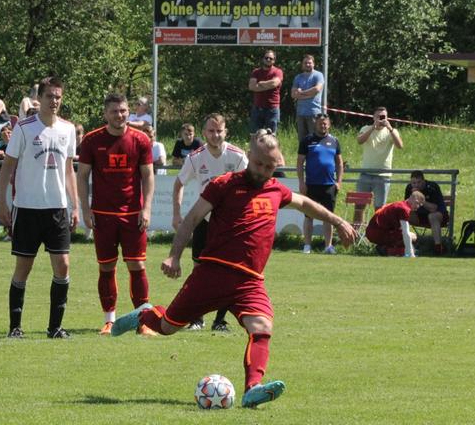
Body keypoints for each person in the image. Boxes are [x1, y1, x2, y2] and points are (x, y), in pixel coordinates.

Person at [110, 129, 356, 409]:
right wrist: (174, 256)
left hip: (250, 281)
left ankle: (253, 388)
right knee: (166, 327)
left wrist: (337, 221)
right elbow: (191, 219)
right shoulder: (224, 184)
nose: (263, 171)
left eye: (269, 166)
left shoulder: (276, 189)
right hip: (212, 274)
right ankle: (144, 314)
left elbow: (306, 204)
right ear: (249, 157)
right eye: (259, 164)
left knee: (262, 327)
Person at [0, 76, 78, 339]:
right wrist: (2, 203)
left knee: (63, 265)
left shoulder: (67, 129)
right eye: (49, 96)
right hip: (27, 208)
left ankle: (55, 327)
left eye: (58, 97)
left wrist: (74, 205)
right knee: (24, 267)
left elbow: (68, 170)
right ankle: (15, 327)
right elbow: (7, 166)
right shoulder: (24, 128)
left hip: (57, 208)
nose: (54, 101)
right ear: (39, 98)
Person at [77, 93, 156, 336]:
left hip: (133, 214)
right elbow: (82, 177)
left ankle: (142, 321)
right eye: (114, 111)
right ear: (105, 114)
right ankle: (109, 320)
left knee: (137, 264)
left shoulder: (140, 140)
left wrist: (147, 208)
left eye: (123, 111)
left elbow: (148, 176)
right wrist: (85, 209)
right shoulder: (91, 141)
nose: (119, 115)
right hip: (103, 214)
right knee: (106, 267)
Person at [172, 113, 248, 332]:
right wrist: (176, 214)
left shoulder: (238, 156)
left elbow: (251, 187)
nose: (216, 135)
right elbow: (179, 184)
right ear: (204, 133)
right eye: (211, 131)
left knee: (227, 271)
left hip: (229, 223)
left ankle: (220, 320)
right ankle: (197, 318)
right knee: (199, 271)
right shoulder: (195, 157)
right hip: (204, 221)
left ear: (226, 132)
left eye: (219, 130)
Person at [297, 113, 343, 254]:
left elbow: (339, 163)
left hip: (329, 185)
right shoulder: (307, 140)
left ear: (329, 125)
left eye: (325, 123)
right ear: (315, 124)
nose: (322, 126)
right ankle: (307, 246)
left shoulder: (334, 141)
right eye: (320, 123)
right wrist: (302, 182)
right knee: (308, 216)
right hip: (311, 184)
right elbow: (300, 163)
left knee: (328, 217)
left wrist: (339, 182)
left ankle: (327, 246)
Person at [353, 107, 403, 225]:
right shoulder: (365, 128)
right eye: (378, 117)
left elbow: (400, 145)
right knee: (359, 206)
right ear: (373, 117)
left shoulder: (392, 131)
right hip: (365, 174)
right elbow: (359, 141)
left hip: (383, 176)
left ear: (387, 118)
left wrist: (390, 128)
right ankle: (355, 233)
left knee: (380, 208)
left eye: (383, 117)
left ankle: (378, 232)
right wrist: (372, 128)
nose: (381, 119)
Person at [365, 192, 424, 257]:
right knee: (412, 236)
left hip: (371, 231)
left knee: (404, 236)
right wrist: (410, 253)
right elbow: (406, 233)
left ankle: (387, 248)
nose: (418, 207)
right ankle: (387, 250)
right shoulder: (404, 209)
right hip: (378, 233)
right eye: (418, 204)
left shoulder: (399, 204)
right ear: (414, 200)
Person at [403, 171, 449, 254]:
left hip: (438, 216)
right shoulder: (409, 188)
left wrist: (420, 199)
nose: (416, 185)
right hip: (419, 216)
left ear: (424, 180)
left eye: (419, 182)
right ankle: (403, 244)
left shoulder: (432, 187)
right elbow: (406, 207)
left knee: (432, 216)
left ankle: (438, 247)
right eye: (414, 183)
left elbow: (434, 208)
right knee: (402, 215)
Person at [247, 50, 283, 134]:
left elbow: (274, 83)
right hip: (257, 108)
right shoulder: (256, 72)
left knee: (271, 136)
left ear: (274, 60)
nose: (268, 60)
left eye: (271, 58)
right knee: (255, 135)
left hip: (272, 108)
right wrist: (268, 85)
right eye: (266, 58)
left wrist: (261, 83)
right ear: (263, 59)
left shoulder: (278, 71)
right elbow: (251, 86)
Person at [290, 54, 325, 141]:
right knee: (302, 141)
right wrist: (309, 95)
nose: (307, 64)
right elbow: (293, 94)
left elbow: (317, 89)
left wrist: (301, 93)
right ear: (302, 64)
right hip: (300, 113)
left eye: (309, 63)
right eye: (305, 63)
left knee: (315, 139)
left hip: (314, 113)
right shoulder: (298, 77)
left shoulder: (318, 75)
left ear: (313, 64)